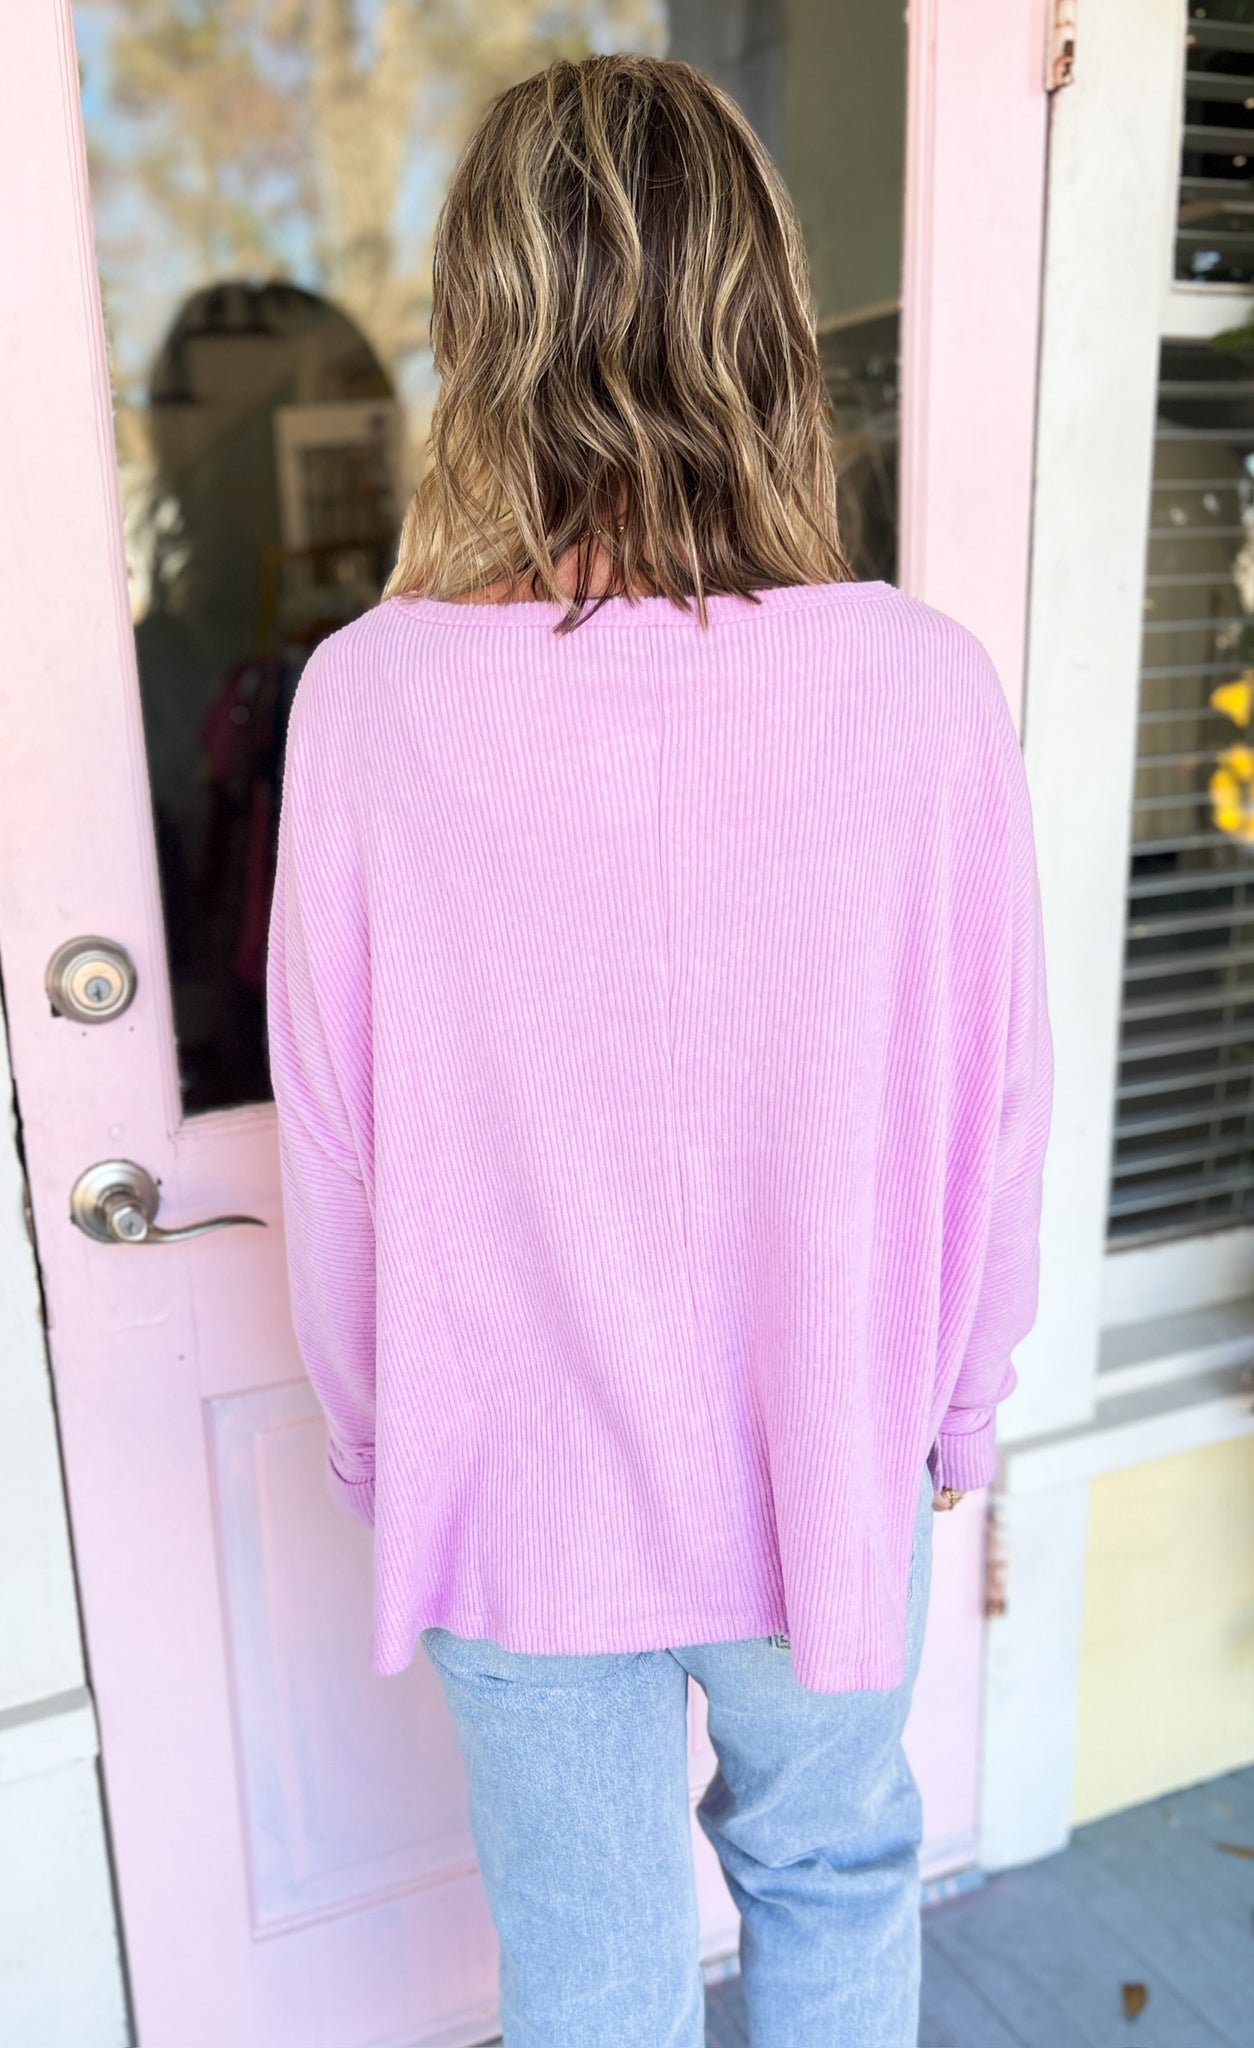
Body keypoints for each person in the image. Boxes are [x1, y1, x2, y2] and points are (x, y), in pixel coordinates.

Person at [265, 51, 1053, 2048]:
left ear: (481, 327)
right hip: (832, 1452)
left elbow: (331, 1140)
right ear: (764, 314)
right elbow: (995, 1108)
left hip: (512, 1487)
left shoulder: (369, 701)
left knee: (590, 1968)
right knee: (835, 1875)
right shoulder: (922, 686)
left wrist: (379, 1446)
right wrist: (958, 1414)